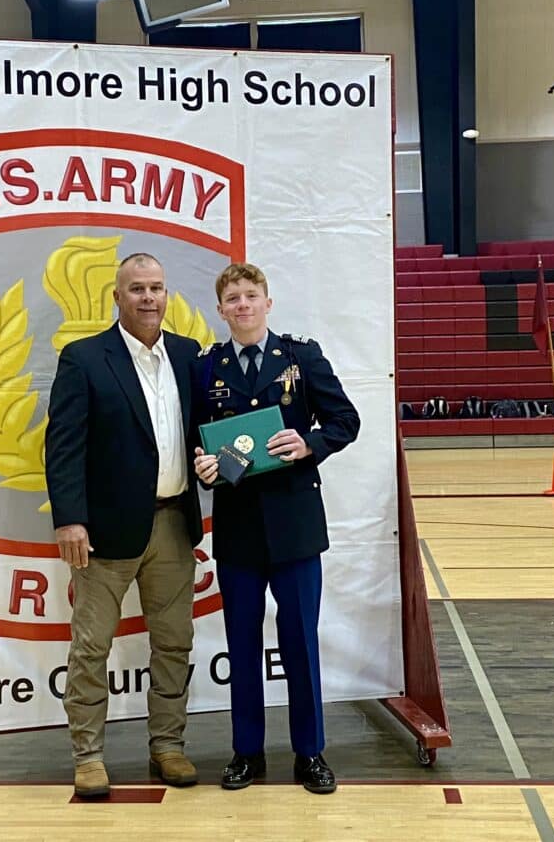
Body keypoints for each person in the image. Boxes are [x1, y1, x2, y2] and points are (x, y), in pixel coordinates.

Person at [191, 263, 359, 794]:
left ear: (268, 302)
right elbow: (196, 437)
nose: (242, 305)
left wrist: (310, 444)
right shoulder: (207, 368)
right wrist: (203, 464)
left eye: (250, 295)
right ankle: (247, 752)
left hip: (295, 525)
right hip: (238, 527)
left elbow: (346, 421)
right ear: (221, 310)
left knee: (300, 642)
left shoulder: (301, 357)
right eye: (232, 298)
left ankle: (310, 752)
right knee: (241, 643)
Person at [45, 253, 204, 799]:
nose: (148, 297)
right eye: (137, 288)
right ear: (117, 297)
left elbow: (206, 430)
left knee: (175, 643)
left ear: (167, 295)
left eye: (156, 287)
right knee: (91, 647)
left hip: (174, 524)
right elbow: (63, 446)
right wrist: (70, 519)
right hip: (105, 532)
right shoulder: (85, 358)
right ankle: (88, 755)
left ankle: (168, 746)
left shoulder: (188, 354)